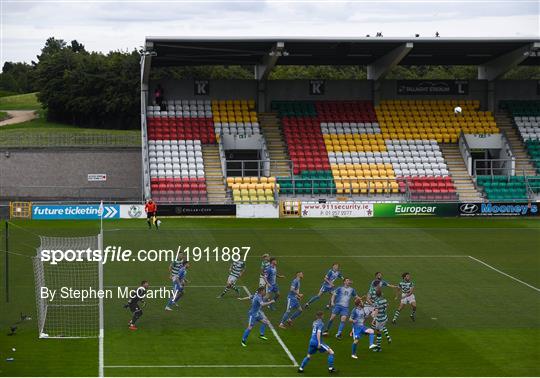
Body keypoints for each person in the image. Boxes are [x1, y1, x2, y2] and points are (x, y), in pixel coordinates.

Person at [372, 287, 391, 351]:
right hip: (385, 317)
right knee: (382, 327)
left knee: (378, 332)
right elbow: (387, 306)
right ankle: (388, 337)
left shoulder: (377, 302)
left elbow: (376, 311)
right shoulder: (384, 300)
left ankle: (378, 348)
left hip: (379, 319)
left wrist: (374, 318)